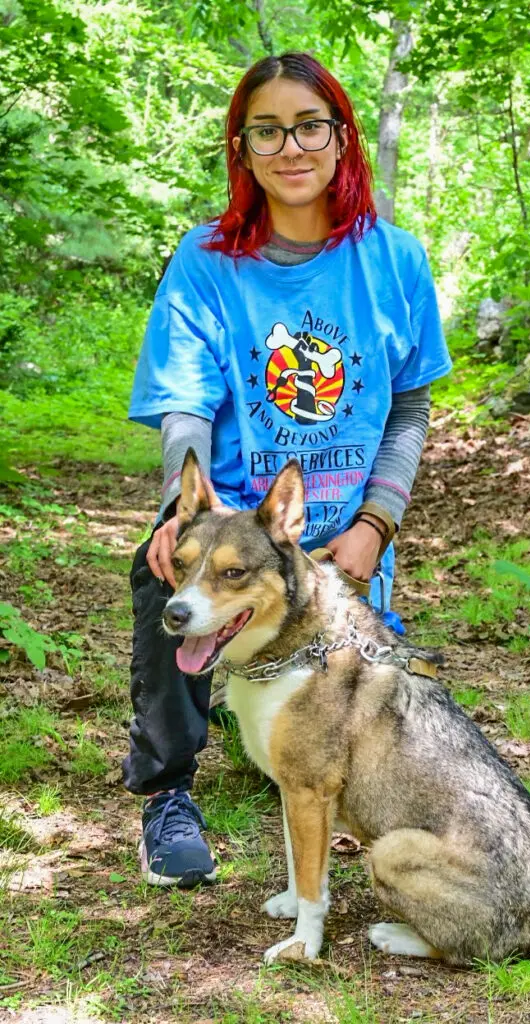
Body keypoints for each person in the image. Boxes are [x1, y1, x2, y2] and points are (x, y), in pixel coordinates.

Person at [124, 51, 452, 887]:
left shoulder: (396, 260)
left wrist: (375, 526)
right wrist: (179, 513)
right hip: (234, 516)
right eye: (266, 130)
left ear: (341, 138)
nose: (290, 146)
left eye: (309, 125)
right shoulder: (205, 261)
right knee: (167, 570)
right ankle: (167, 790)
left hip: (340, 534)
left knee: (374, 714)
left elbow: (410, 409)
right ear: (243, 148)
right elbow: (186, 408)